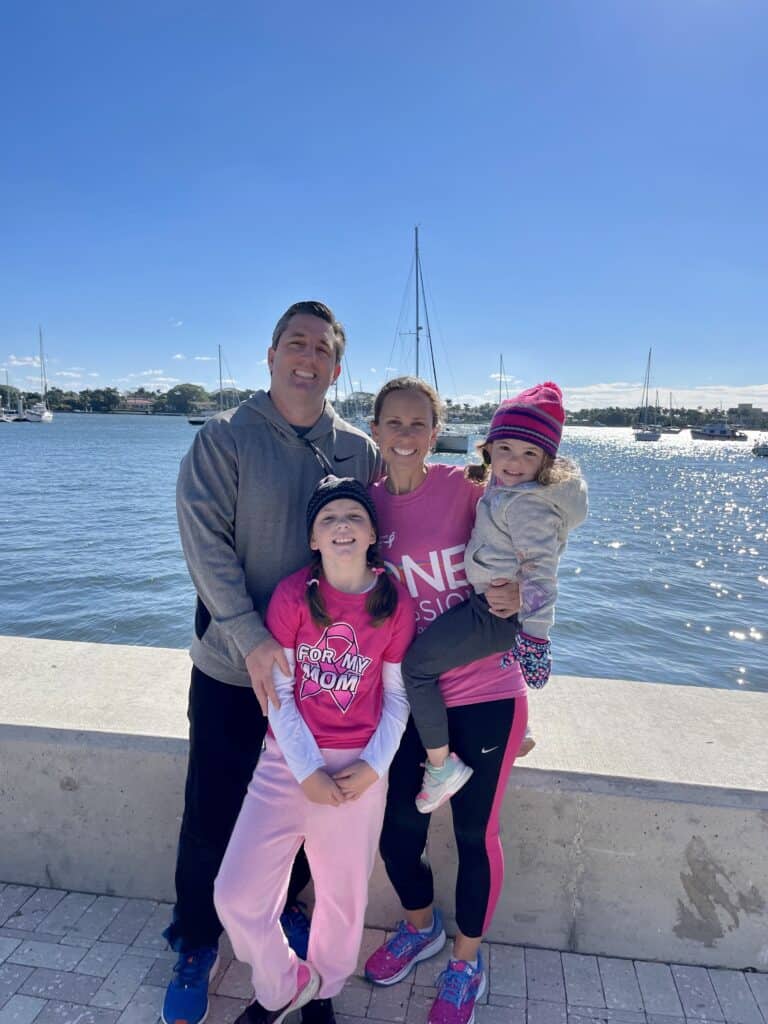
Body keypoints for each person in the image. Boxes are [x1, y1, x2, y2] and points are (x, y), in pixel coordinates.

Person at [164, 302, 380, 1024]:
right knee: (211, 812)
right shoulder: (224, 439)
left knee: (311, 825)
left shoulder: (359, 449)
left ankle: (293, 950)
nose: (307, 357)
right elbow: (205, 549)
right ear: (270, 354)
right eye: (296, 342)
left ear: (336, 367)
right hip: (234, 669)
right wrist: (252, 639)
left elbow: (394, 542)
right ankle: (196, 939)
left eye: (322, 348)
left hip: (326, 687)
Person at [214, 475, 416, 1024]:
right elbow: (279, 694)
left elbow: (397, 696)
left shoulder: (393, 602)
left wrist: (375, 766)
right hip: (287, 765)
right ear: (312, 539)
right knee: (235, 895)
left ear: (373, 531)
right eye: (328, 519)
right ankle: (283, 987)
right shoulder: (292, 596)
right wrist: (305, 771)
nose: (341, 526)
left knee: (341, 899)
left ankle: (324, 992)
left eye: (353, 515)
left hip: (358, 773)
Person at [363, 376, 527, 1024]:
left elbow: (533, 535)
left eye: (418, 424)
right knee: (398, 832)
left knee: (472, 833)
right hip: (407, 700)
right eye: (393, 424)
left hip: (487, 692)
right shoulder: (365, 506)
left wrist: (525, 593)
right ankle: (421, 926)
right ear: (374, 431)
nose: (405, 436)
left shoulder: (466, 489)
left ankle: (465, 960)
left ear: (437, 433)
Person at [402, 381, 588, 813]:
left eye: (529, 455)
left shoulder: (525, 504)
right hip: (494, 607)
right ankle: (516, 731)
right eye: (505, 450)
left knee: (416, 668)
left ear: (546, 461)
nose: (515, 463)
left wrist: (537, 639)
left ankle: (440, 766)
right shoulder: (504, 488)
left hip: (495, 614)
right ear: (489, 449)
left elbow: (542, 573)